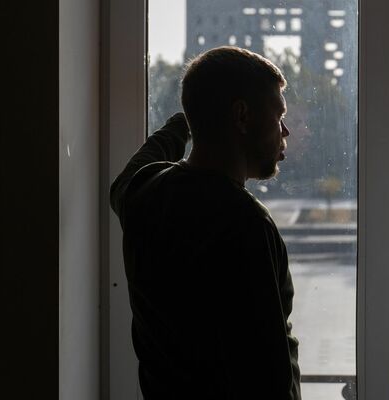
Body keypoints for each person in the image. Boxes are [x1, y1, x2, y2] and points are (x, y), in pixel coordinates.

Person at [110, 46, 300, 399]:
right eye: (279, 116)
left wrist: (192, 117)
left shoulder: (142, 193)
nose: (285, 131)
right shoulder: (246, 223)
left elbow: (133, 170)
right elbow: (268, 380)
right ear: (241, 116)